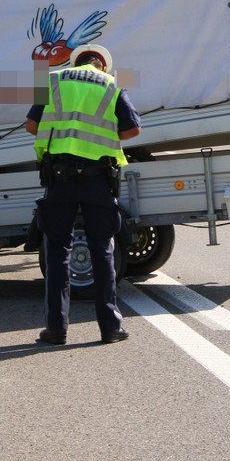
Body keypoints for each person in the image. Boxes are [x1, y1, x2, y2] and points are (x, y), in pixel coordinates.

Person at [25, 43, 142, 345]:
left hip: (59, 179)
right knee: (102, 250)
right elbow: (133, 130)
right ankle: (110, 328)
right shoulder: (112, 85)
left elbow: (31, 126)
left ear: (75, 62)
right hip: (98, 180)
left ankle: (56, 330)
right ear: (103, 65)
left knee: (57, 252)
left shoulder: (51, 80)